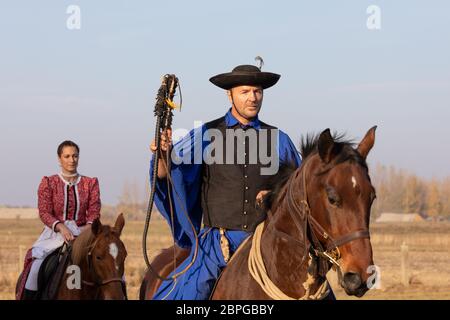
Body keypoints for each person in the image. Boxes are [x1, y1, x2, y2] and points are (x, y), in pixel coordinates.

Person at [149, 63, 301, 300]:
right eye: (245, 92)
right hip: (218, 244)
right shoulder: (205, 135)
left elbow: (299, 191)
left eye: (258, 91)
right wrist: (162, 155)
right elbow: (167, 174)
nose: (253, 97)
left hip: (268, 242)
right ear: (229, 94)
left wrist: (274, 193)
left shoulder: (279, 140)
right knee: (186, 295)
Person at [17, 140, 101, 300]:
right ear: (59, 158)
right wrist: (61, 227)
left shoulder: (90, 183)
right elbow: (44, 212)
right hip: (55, 234)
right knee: (35, 269)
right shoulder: (48, 183)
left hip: (85, 235)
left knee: (112, 266)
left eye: (75, 156)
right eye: (67, 156)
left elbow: (95, 211)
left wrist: (88, 229)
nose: (72, 160)